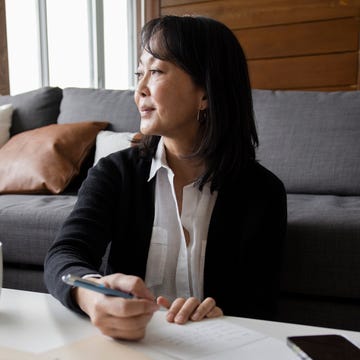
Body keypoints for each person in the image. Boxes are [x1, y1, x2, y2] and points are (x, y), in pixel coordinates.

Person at [44, 14, 287, 341]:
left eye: (155, 71)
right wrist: (93, 295)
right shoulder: (114, 174)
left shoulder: (263, 192)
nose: (139, 89)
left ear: (206, 93)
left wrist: (222, 315)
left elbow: (261, 306)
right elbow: (64, 255)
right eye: (138, 73)